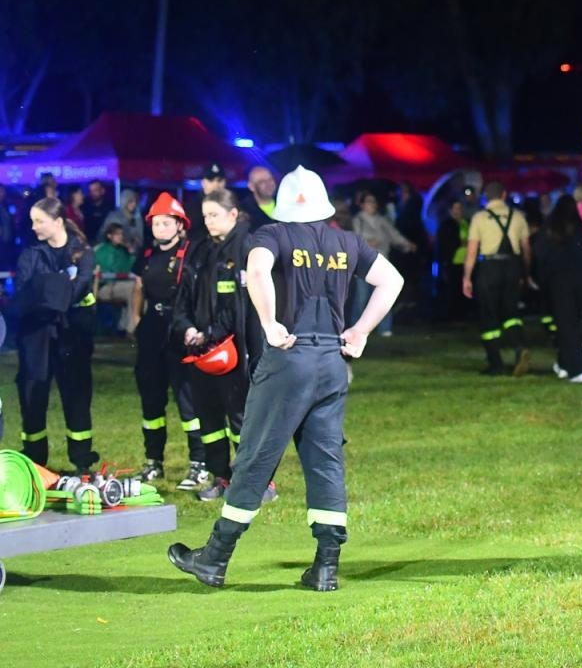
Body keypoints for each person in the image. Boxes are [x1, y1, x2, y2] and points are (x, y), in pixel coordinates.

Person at [169, 167, 403, 592]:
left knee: (256, 455)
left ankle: (215, 558)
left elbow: (257, 273)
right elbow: (392, 279)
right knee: (326, 462)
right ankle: (326, 568)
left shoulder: (271, 237)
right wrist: (361, 330)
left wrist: (270, 323)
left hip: (288, 359)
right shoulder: (346, 240)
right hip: (332, 364)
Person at [173, 190, 267, 500]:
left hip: (235, 349)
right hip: (202, 349)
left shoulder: (247, 247)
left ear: (233, 214)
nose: (208, 221)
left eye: (214, 214)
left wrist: (210, 333)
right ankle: (221, 477)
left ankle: (256, 483)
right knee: (209, 417)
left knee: (241, 418)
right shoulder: (200, 249)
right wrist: (186, 328)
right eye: (205, 215)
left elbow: (238, 306)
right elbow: (184, 294)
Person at [13, 197, 99, 472]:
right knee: (32, 394)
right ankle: (35, 461)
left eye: (39, 220)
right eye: (32, 221)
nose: (34, 226)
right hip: (36, 335)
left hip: (72, 334)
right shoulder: (31, 254)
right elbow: (25, 293)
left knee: (76, 395)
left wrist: (49, 288)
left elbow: (80, 288)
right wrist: (61, 284)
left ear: (58, 221)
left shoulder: (82, 252)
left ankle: (82, 461)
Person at [128, 193, 205, 483]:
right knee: (151, 400)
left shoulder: (190, 254)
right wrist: (136, 319)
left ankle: (198, 463)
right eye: (156, 223)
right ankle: (153, 461)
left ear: (179, 225)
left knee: (188, 401)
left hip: (179, 332)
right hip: (151, 331)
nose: (160, 229)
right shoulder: (147, 256)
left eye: (165, 223)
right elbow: (138, 287)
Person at [462, 182, 533, 377]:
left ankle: (496, 363)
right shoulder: (518, 216)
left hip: (489, 268)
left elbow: (471, 252)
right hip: (512, 267)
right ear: (504, 195)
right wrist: (525, 273)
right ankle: (520, 346)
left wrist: (467, 277)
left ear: (486, 196)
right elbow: (526, 250)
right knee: (511, 312)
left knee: (488, 313)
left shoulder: (479, 218)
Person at [534, 196, 582, 382]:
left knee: (565, 324)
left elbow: (540, 254)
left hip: (559, 280)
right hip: (581, 279)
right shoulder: (580, 227)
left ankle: (578, 369)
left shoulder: (550, 228)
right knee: (573, 322)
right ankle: (564, 365)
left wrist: (541, 279)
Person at [350, 191, 417, 338]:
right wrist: (368, 243)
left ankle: (384, 328)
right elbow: (356, 239)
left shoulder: (382, 220)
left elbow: (394, 235)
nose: (372, 205)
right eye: (368, 201)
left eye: (373, 202)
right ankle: (356, 329)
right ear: (362, 204)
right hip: (364, 265)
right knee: (361, 299)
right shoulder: (358, 220)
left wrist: (407, 244)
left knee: (384, 297)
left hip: (382, 263)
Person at [93, 222, 138, 333]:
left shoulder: (123, 251)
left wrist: (131, 254)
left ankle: (124, 327)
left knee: (137, 288)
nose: (120, 237)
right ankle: (130, 329)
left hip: (120, 284)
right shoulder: (100, 250)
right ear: (109, 236)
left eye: (121, 234)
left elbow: (131, 270)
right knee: (132, 288)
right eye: (117, 234)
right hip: (102, 286)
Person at [435, 199, 470, 320]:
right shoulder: (446, 225)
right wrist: (460, 242)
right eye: (455, 209)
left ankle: (464, 314)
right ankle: (452, 315)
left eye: (459, 208)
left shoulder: (466, 223)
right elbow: (444, 244)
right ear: (450, 211)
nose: (458, 211)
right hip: (453, 262)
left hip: (467, 262)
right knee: (453, 290)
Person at [184, 162, 231, 229]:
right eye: (211, 180)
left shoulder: (232, 205)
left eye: (219, 180)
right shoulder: (191, 207)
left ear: (225, 182)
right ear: (202, 182)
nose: (216, 185)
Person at [243, 166, 278, 231]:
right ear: (251, 187)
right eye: (262, 181)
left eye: (270, 179)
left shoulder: (286, 202)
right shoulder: (244, 213)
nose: (268, 183)